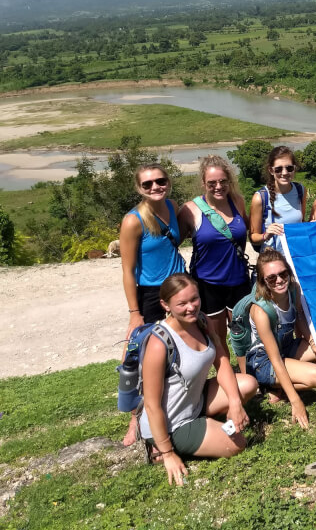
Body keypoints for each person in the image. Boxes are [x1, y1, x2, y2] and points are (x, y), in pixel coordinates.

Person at [139, 273, 258, 486]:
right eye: (182, 303)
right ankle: (157, 445)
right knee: (237, 445)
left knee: (248, 384)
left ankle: (210, 425)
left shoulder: (201, 320)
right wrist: (168, 453)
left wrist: (234, 402)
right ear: (165, 305)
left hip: (195, 402)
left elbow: (221, 358)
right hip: (173, 423)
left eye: (194, 299)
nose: (191, 307)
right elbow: (151, 405)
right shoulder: (159, 344)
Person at [119, 163, 186, 446]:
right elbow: (127, 270)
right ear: (139, 188)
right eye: (147, 184)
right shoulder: (133, 221)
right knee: (142, 355)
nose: (155, 187)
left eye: (160, 181)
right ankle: (136, 417)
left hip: (179, 286)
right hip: (150, 293)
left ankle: (178, 404)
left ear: (168, 183)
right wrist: (135, 313)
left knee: (182, 347)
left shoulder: (171, 206)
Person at [246, 249, 316, 429]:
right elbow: (275, 360)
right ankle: (273, 387)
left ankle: (281, 385)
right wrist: (296, 401)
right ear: (262, 281)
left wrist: (313, 342)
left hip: (286, 346)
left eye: (283, 274)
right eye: (271, 278)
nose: (279, 280)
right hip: (264, 360)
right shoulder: (261, 311)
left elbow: (299, 318)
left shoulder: (293, 289)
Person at [178, 156, 250, 353]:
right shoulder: (190, 210)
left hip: (239, 280)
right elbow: (172, 243)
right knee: (217, 338)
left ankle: (250, 375)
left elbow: (253, 230)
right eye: (212, 183)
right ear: (203, 183)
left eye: (223, 181)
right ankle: (228, 379)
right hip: (208, 284)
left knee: (243, 333)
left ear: (229, 181)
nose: (218, 186)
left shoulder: (238, 202)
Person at [249, 146, 306, 253]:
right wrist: (265, 235)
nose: (284, 173)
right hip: (273, 260)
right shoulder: (260, 198)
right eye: (278, 169)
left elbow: (302, 223)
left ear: (294, 168)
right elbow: (253, 237)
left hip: (297, 256)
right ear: (271, 170)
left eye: (289, 168)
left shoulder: (300, 190)